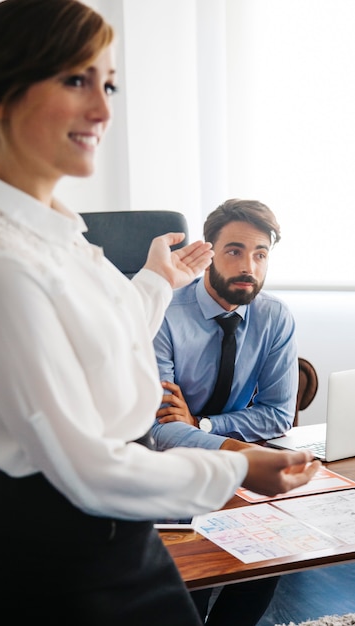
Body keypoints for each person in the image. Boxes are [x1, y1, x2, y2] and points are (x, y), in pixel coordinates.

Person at [0, 2, 320, 625]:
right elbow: (85, 468)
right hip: (51, 565)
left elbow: (102, 339)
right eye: (75, 80)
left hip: (119, 537)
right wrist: (236, 465)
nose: (103, 110)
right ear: (0, 98)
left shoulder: (58, 234)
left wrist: (154, 281)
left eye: (107, 84)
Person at [152, 199, 298, 624]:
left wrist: (200, 424)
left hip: (227, 460)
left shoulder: (274, 317)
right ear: (209, 251)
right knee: (189, 581)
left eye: (260, 253)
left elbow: (276, 415)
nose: (248, 265)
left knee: (274, 547)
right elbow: (157, 429)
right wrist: (238, 451)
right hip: (166, 466)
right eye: (234, 250)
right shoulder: (163, 312)